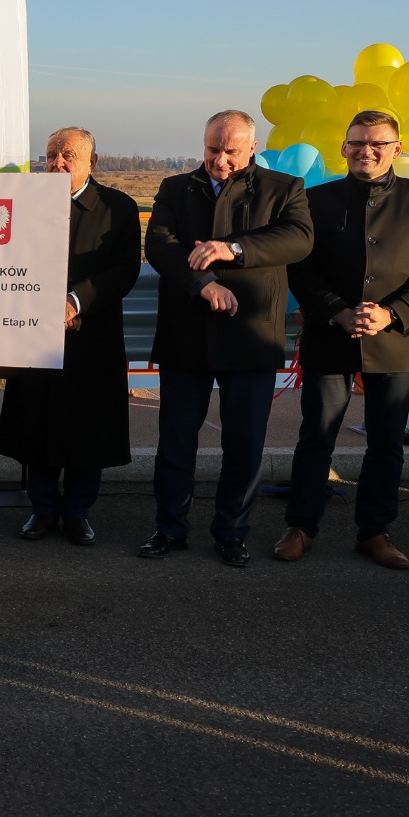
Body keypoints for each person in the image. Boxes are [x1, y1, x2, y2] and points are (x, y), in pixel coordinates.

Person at [273, 111, 409, 569]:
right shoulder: (314, 200)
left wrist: (392, 312)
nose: (366, 151)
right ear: (344, 147)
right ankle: (301, 526)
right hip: (330, 334)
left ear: (398, 149)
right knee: (316, 437)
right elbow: (299, 265)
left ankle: (375, 532)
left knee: (387, 443)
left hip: (395, 337)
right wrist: (337, 310)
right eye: (357, 142)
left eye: (378, 143)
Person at [142, 109, 313, 566]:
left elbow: (298, 239)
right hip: (187, 335)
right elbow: (159, 245)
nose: (220, 160)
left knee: (244, 443)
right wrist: (203, 283)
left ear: (253, 147)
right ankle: (169, 528)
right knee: (176, 441)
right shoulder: (176, 188)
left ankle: (232, 533)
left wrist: (233, 249)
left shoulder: (284, 189)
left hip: (251, 336)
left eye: (231, 151)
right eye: (212, 149)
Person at [0, 127, 143, 546]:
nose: (57, 163)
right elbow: (8, 259)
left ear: (92, 162)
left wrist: (76, 303)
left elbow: (124, 269)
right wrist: (46, 307)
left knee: (87, 427)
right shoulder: (25, 201)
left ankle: (78, 512)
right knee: (37, 423)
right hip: (35, 331)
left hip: (93, 334)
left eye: (68, 156)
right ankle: (42, 509)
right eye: (51, 155)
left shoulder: (118, 207)